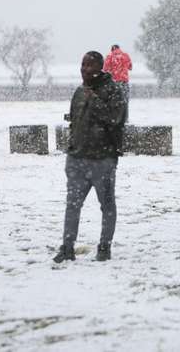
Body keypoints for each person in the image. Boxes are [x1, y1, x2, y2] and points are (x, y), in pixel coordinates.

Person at [54, 51, 127, 263]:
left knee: (107, 205)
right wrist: (72, 148)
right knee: (72, 205)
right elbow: (74, 121)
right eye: (82, 64)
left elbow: (116, 119)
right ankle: (67, 247)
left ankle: (104, 247)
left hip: (102, 160)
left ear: (100, 68)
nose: (84, 69)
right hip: (77, 159)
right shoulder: (79, 92)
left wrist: (94, 101)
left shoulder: (113, 91)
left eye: (89, 65)